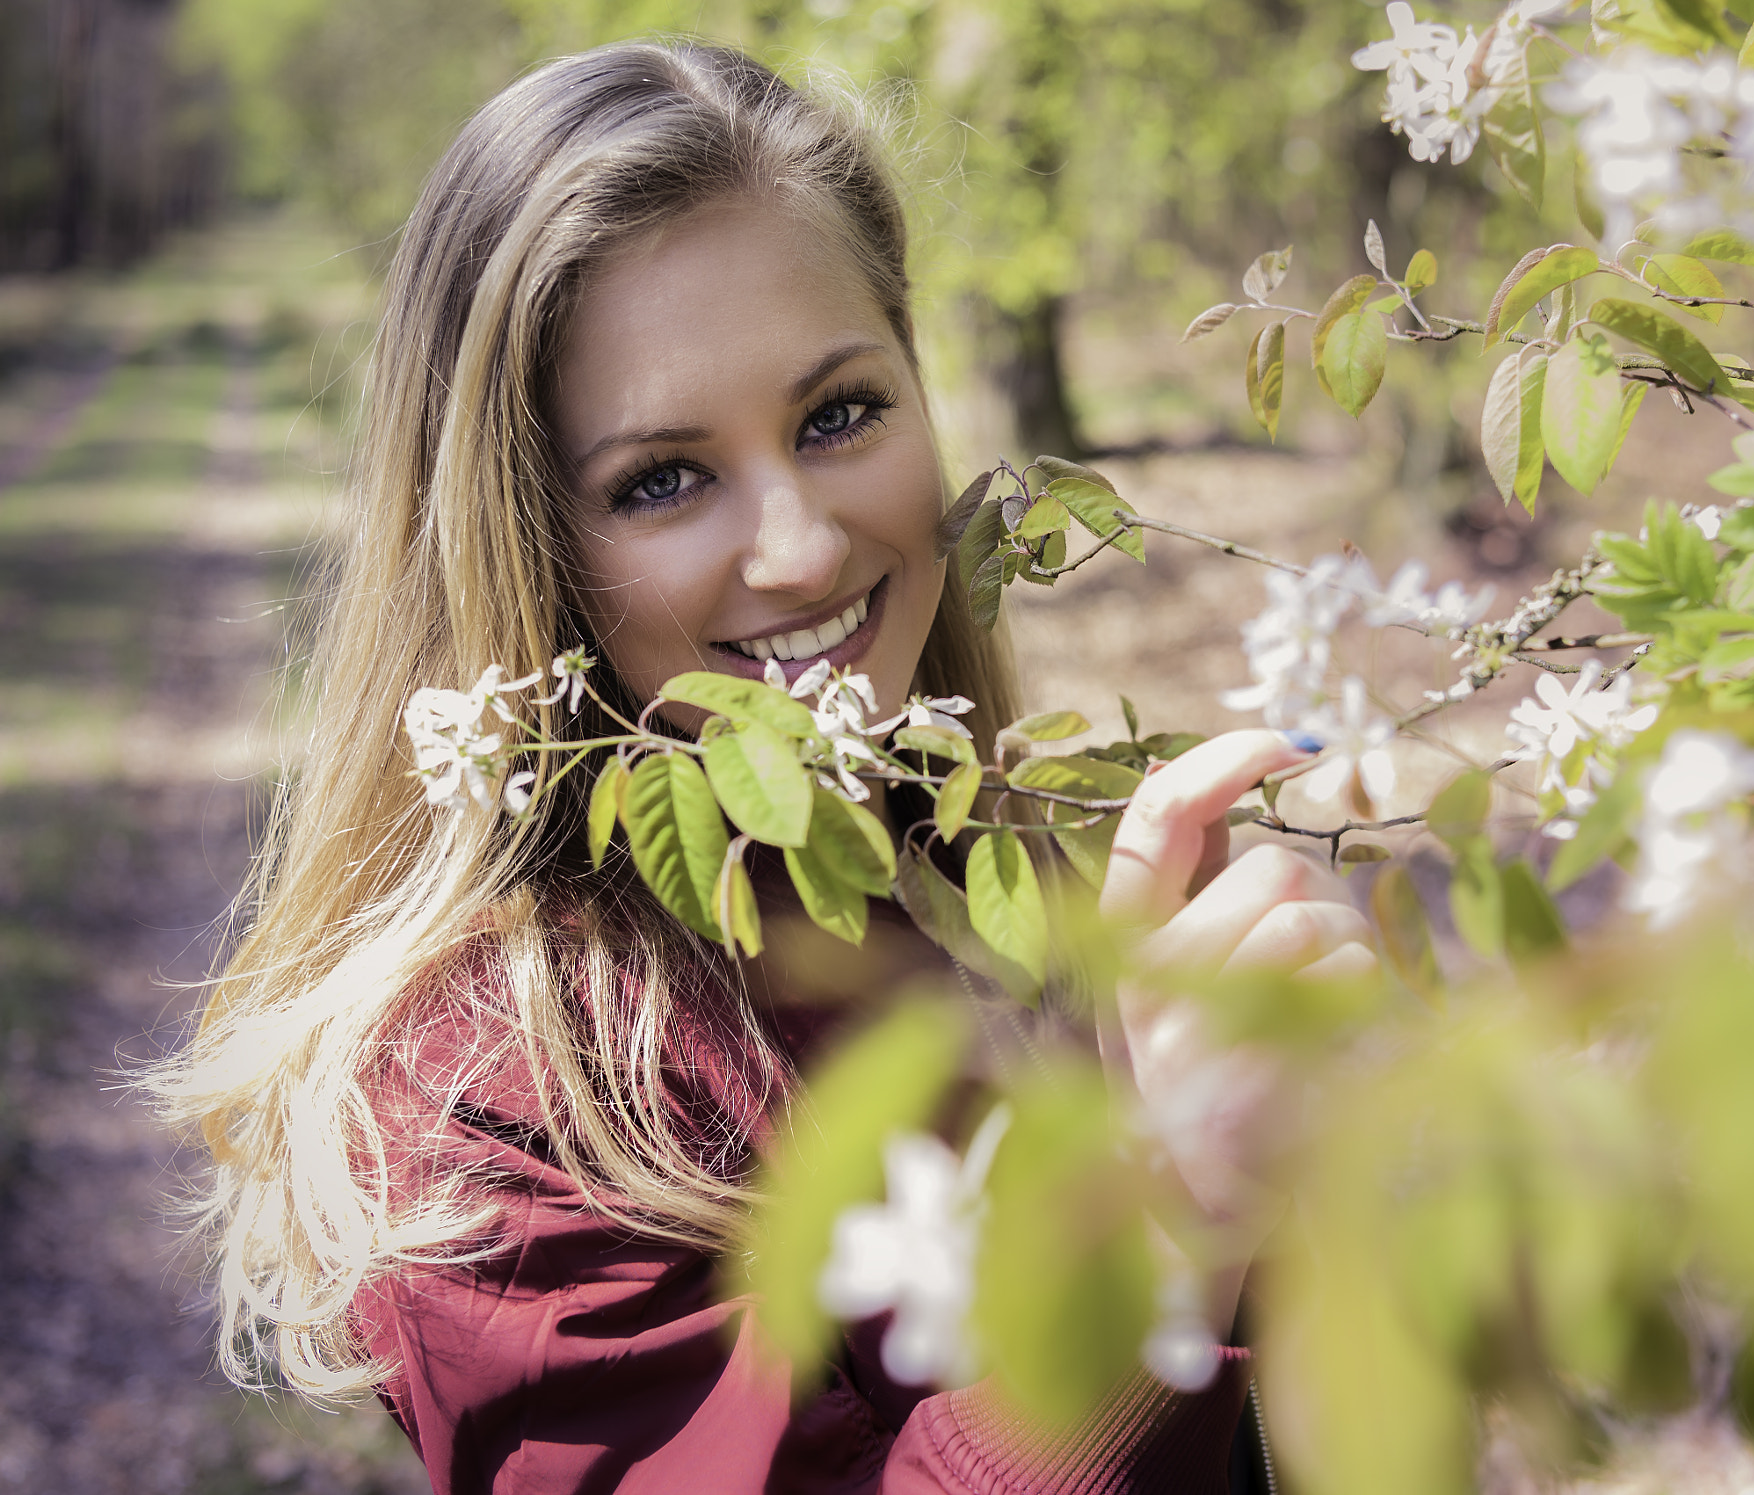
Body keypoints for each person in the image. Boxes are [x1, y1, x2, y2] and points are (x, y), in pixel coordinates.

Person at [147, 39, 1376, 1494]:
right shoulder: (500, 1098)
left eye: (839, 413)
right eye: (662, 480)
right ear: (523, 542)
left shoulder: (1012, 866)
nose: (799, 549)